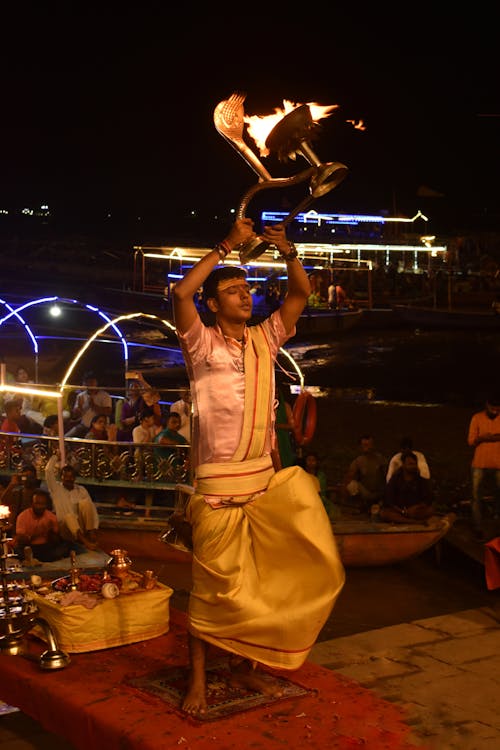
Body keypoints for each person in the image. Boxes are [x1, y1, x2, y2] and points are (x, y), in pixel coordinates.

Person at [172, 217, 344, 716]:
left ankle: (249, 667)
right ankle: (199, 680)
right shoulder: (200, 345)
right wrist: (226, 246)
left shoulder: (267, 339)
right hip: (217, 488)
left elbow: (301, 294)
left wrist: (288, 251)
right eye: (232, 291)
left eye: (247, 289)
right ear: (213, 304)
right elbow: (182, 293)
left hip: (263, 482)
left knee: (270, 582)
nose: (245, 297)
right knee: (211, 589)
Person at [44, 453, 100, 551]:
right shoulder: (56, 489)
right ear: (61, 477)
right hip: (65, 528)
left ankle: (91, 534)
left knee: (86, 503)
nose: (68, 479)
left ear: (74, 478)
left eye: (71, 477)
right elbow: (48, 471)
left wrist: (95, 528)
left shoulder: (81, 489)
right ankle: (86, 543)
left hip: (81, 527)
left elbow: (91, 509)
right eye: (66, 476)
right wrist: (56, 457)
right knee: (69, 517)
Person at [467, 394, 500, 539]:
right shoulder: (477, 418)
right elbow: (471, 441)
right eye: (492, 408)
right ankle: (477, 526)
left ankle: (497, 523)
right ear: (487, 405)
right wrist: (483, 438)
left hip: (499, 464)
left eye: (497, 409)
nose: (494, 411)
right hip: (479, 463)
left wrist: (488, 437)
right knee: (476, 496)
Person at [9, 488, 71, 562]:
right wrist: (35, 534)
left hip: (46, 547)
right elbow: (21, 540)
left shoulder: (51, 516)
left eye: (43, 504)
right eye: (37, 503)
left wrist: (51, 533)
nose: (40, 507)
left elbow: (56, 540)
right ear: (31, 504)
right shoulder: (22, 516)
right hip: (29, 548)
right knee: (17, 551)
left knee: (67, 545)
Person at [380, 451, 435, 524]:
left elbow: (427, 499)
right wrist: (402, 511)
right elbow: (389, 500)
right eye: (410, 464)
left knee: (430, 510)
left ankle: (404, 520)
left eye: (414, 464)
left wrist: (415, 508)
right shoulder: (395, 480)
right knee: (384, 513)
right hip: (399, 511)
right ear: (403, 465)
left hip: (415, 511)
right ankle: (414, 522)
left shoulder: (420, 480)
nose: (413, 466)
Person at [343, 434, 387, 510]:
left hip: (380, 491)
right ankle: (361, 505)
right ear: (360, 447)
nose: (368, 447)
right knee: (352, 485)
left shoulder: (380, 458)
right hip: (366, 492)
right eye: (365, 445)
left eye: (370, 444)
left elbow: (387, 475)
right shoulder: (358, 461)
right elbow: (349, 477)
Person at [64, 371, 112, 438]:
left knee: (89, 437)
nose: (89, 385)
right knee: (66, 437)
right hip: (83, 425)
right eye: (87, 382)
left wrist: (93, 406)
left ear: (96, 383)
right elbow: (75, 416)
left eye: (92, 382)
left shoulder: (104, 395)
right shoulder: (81, 396)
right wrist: (79, 407)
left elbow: (108, 412)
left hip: (99, 427)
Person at [0, 463, 41, 529]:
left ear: (35, 478)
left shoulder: (40, 495)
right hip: (17, 530)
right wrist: (12, 485)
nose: (28, 480)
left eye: (31, 477)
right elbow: (4, 501)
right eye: (25, 477)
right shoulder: (17, 494)